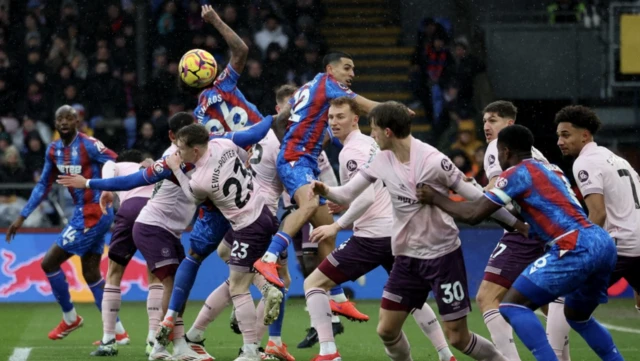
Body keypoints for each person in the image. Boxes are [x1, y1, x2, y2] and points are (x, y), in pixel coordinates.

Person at [310, 101, 520, 361]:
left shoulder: (433, 161)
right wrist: (325, 190)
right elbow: (349, 193)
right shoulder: (382, 159)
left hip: (442, 256)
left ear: (387, 132)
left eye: (374, 129)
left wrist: (515, 224)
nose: (371, 135)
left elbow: (478, 198)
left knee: (458, 337)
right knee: (386, 330)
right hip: (407, 257)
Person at [57, 112, 275, 361]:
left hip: (171, 229)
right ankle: (164, 344)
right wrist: (89, 183)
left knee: (176, 285)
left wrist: (279, 114)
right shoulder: (173, 160)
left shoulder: (213, 144)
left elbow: (252, 136)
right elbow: (133, 180)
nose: (178, 149)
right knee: (171, 285)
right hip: (153, 226)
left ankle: (173, 344)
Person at [416, 124, 623, 361]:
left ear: (505, 151)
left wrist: (435, 198)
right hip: (602, 242)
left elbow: (473, 215)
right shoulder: (552, 169)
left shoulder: (516, 173)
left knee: (512, 306)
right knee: (578, 317)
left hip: (573, 246)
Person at [254, 51, 406, 322]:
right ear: (330, 69)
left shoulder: (308, 86)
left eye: (353, 68)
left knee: (326, 230)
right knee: (310, 205)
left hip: (304, 159)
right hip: (295, 159)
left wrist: (291, 136)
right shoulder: (328, 84)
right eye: (347, 68)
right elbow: (367, 105)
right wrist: (397, 111)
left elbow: (281, 119)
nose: (352, 74)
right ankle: (268, 257)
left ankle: (336, 298)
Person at [304, 97, 456, 361]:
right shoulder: (372, 144)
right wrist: (344, 203)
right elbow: (371, 189)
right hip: (396, 232)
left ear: (356, 119)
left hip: (371, 237)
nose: (334, 122)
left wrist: (335, 227)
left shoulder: (351, 151)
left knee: (313, 283)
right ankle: (445, 355)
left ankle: (329, 352)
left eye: (341, 116)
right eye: (331, 118)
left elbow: (366, 198)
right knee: (411, 299)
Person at [6, 105, 121, 341]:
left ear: (77, 121)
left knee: (49, 263)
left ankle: (70, 318)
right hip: (82, 212)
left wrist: (106, 187)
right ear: (55, 123)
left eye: (69, 118)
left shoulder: (90, 144)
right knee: (90, 272)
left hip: (95, 211)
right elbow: (43, 185)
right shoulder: (53, 150)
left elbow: (116, 162)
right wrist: (22, 215)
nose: (65, 122)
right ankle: (118, 331)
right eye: (60, 119)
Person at [166, 124, 280, 361]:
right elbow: (244, 157)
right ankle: (262, 285)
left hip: (249, 227)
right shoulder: (224, 144)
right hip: (262, 211)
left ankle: (250, 350)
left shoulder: (200, 180)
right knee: (223, 251)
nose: (178, 153)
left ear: (195, 151)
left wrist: (177, 169)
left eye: (181, 149)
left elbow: (191, 195)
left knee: (238, 287)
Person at [480, 100, 570, 360]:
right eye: (485, 120)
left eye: (493, 120)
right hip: (551, 228)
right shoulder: (534, 151)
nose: (486, 126)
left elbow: (497, 192)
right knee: (546, 300)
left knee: (488, 298)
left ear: (510, 124)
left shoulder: (496, 148)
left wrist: (477, 195)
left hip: (527, 230)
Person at [555, 105, 640, 317]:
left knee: (566, 301)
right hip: (637, 241)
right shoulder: (615, 158)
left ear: (585, 135)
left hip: (621, 246)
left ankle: (556, 352)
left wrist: (583, 252)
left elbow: (598, 213)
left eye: (566, 135)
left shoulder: (585, 162)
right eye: (558, 136)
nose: (560, 142)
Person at [83, 150, 158, 356]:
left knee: (114, 274)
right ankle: (153, 340)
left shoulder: (121, 166)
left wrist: (106, 189)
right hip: (155, 210)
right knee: (155, 275)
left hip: (131, 208)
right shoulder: (154, 167)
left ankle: (108, 340)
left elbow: (108, 165)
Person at [193, 5, 264, 135]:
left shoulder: (198, 117)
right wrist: (216, 20)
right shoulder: (223, 83)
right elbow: (241, 50)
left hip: (241, 154)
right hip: (264, 139)